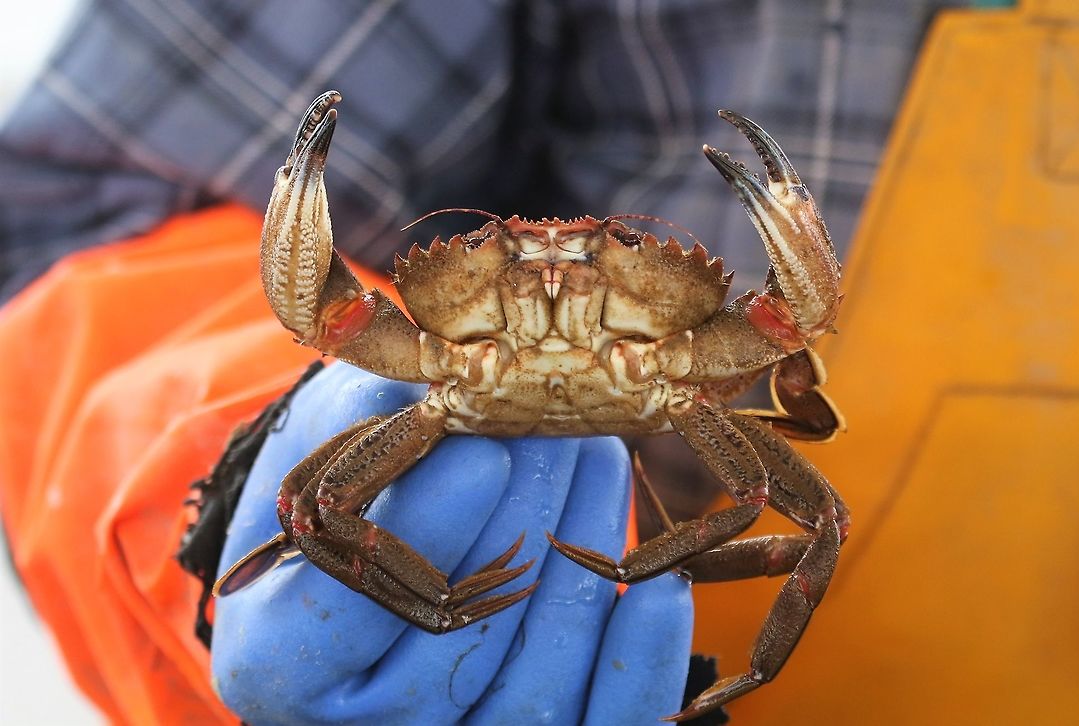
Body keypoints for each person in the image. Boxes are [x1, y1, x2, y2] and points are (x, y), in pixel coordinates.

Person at [0, 0, 963, 722]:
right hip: (429, 516)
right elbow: (78, 225)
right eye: (512, 262)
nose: (558, 282)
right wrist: (229, 470)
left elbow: (782, 365)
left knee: (810, 521)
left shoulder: (711, 354)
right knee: (307, 501)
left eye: (607, 259)